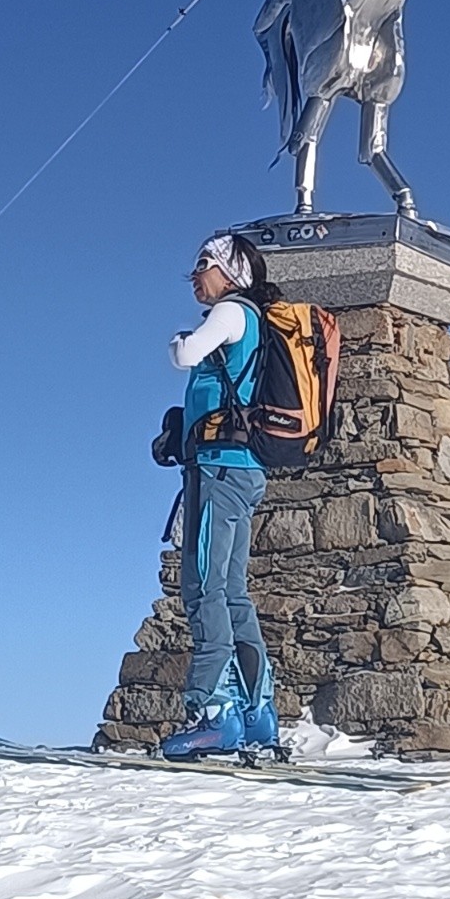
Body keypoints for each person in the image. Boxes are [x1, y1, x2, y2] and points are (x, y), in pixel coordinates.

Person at [160, 232, 280, 759]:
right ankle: (258, 712)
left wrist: (176, 340)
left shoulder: (232, 313)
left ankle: (213, 713)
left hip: (218, 469)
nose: (194, 274)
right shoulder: (252, 319)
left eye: (204, 264)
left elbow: (186, 354)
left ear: (231, 273)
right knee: (231, 592)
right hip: (242, 469)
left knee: (203, 585)